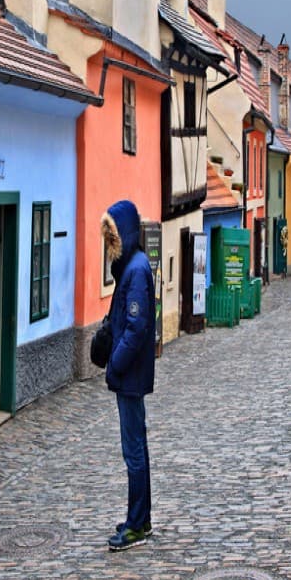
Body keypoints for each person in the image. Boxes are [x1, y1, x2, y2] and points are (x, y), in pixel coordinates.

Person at [100, 200, 156, 551]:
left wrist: (115, 365)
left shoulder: (136, 270)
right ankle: (141, 517)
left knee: (133, 451)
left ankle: (137, 524)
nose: (109, 244)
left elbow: (136, 328)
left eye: (113, 237)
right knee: (136, 449)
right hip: (131, 375)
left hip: (130, 376)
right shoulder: (133, 267)